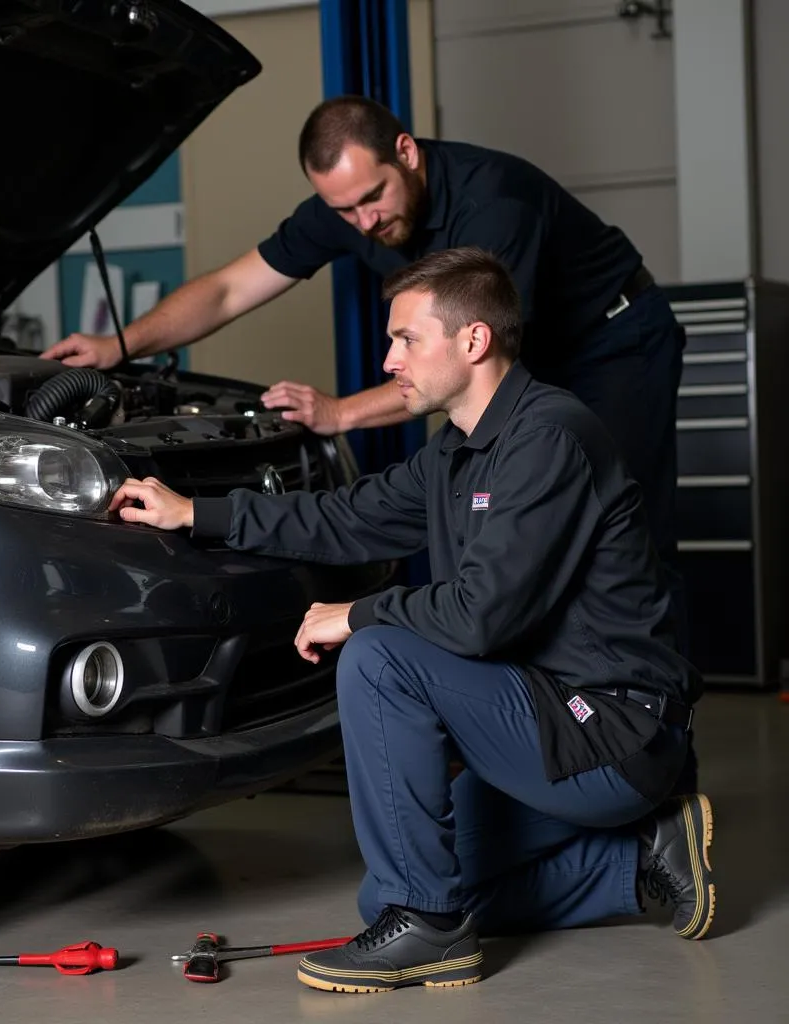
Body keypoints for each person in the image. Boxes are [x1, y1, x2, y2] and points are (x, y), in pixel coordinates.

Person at [43, 97, 697, 794]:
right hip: (513, 360)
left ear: (407, 154)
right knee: (484, 529)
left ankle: (652, 757)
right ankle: (528, 729)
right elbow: (232, 289)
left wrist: (342, 413)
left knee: (629, 544)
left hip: (612, 344)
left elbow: (468, 364)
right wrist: (118, 346)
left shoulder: (495, 204)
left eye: (371, 198)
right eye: (344, 211)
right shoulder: (347, 205)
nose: (363, 223)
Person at [105, 248, 714, 995]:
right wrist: (197, 512)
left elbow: (480, 618)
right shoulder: (455, 452)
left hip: (612, 728)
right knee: (390, 892)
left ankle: (431, 931)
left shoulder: (549, 438)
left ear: (473, 341)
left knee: (379, 657)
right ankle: (644, 857)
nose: (390, 358)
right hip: (542, 718)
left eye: (405, 339)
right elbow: (343, 517)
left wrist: (355, 614)